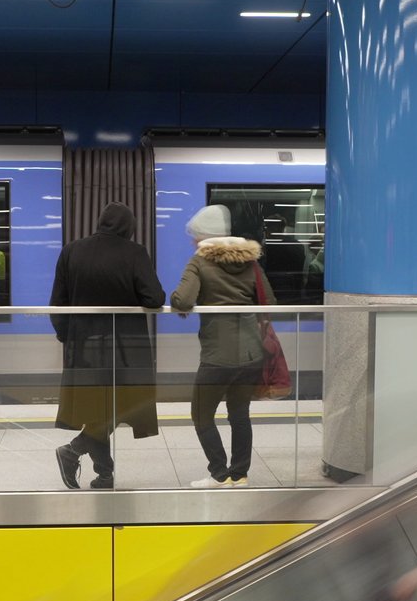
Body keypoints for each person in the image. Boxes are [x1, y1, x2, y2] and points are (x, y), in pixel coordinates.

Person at [51, 202, 164, 490]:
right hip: (125, 347)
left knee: (97, 408)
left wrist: (68, 337)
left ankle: (104, 474)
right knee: (123, 406)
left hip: (83, 346)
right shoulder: (135, 253)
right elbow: (154, 298)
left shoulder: (71, 251)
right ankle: (74, 450)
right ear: (129, 227)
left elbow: (57, 304)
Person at [170, 205, 267, 489]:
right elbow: (269, 300)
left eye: (195, 236)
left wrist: (185, 301)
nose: (192, 242)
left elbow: (183, 300)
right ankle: (240, 475)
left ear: (205, 237)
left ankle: (219, 473)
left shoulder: (200, 261)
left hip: (218, 356)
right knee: (239, 414)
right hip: (251, 352)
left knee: (201, 414)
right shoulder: (251, 262)